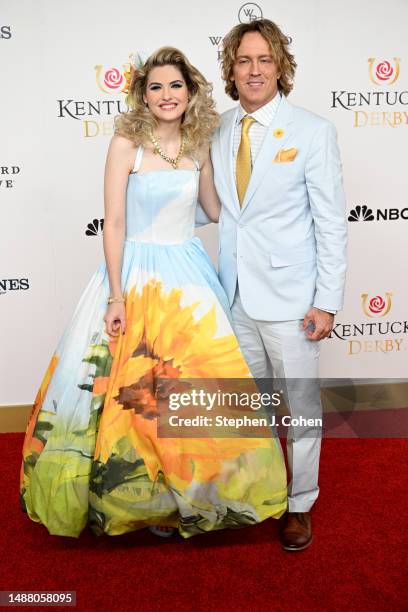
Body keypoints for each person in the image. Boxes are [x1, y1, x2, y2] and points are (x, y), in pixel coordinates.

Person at [19, 47, 287, 539]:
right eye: (157, 87)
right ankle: (138, 500)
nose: (167, 95)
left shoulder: (200, 143)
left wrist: (272, 214)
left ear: (191, 93)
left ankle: (188, 496)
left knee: (191, 393)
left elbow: (213, 209)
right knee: (133, 399)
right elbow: (115, 222)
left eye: (176, 86)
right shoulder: (126, 143)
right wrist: (116, 296)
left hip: (188, 278)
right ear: (144, 95)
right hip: (134, 275)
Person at [207, 19, 347, 550]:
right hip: (234, 296)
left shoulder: (312, 131)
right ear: (232, 69)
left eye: (264, 59)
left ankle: (300, 502)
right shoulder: (218, 128)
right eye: (244, 60)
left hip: (293, 303)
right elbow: (216, 209)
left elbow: (330, 222)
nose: (254, 69)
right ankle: (258, 493)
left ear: (280, 66)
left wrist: (327, 302)